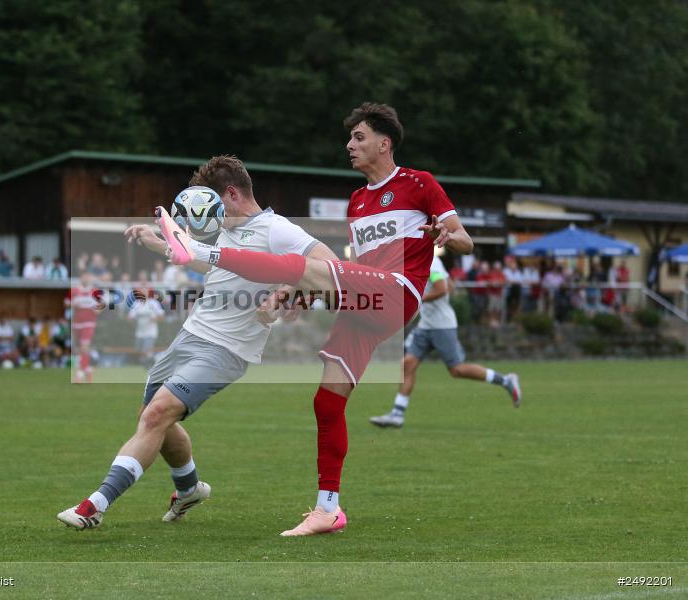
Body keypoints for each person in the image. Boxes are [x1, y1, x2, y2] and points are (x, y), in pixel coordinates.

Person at [155, 103, 474, 536]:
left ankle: (199, 251)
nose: (350, 145)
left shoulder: (419, 183)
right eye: (350, 138)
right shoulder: (358, 200)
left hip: (398, 290)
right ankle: (328, 510)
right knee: (326, 402)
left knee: (293, 264)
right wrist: (301, 292)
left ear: (385, 142)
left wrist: (448, 235)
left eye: (359, 137)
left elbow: (464, 240)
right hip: (362, 304)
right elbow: (348, 270)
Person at [57, 155, 334, 532]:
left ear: (231, 194)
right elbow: (215, 267)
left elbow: (331, 267)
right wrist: (157, 243)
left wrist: (288, 292)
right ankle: (189, 489)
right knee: (154, 419)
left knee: (156, 415)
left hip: (227, 350)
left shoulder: (277, 229)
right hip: (190, 336)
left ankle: (95, 505)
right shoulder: (228, 230)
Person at [369, 254, 521, 428]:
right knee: (407, 364)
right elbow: (450, 285)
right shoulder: (422, 260)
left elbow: (442, 289)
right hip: (426, 324)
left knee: (457, 370)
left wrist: (417, 299)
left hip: (441, 325)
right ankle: (397, 414)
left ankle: (506, 381)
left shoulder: (431, 262)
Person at [69, 272, 104, 382]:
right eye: (83, 277)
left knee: (84, 346)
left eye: (87, 277)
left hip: (89, 322)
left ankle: (80, 373)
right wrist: (73, 305)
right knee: (81, 349)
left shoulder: (94, 291)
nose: (85, 279)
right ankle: (88, 369)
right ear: (80, 278)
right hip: (77, 322)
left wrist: (97, 310)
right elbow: (66, 303)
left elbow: (101, 306)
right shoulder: (74, 290)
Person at [128, 287, 165, 365]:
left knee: (147, 349)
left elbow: (162, 316)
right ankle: (147, 362)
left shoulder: (154, 303)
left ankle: (149, 363)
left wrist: (155, 319)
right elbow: (130, 317)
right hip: (139, 331)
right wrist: (132, 319)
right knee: (139, 350)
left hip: (151, 331)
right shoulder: (136, 304)